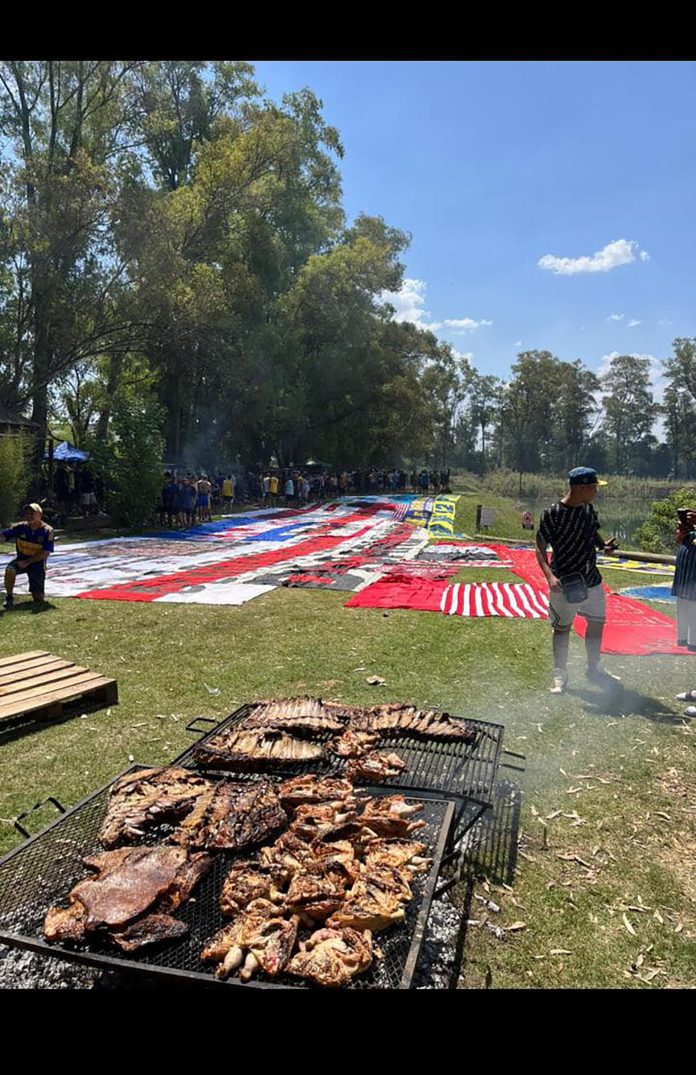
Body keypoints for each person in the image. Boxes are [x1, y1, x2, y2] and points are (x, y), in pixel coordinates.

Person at [536, 467, 620, 694]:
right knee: (562, 628)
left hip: (591, 579)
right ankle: (559, 674)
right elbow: (540, 547)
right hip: (564, 582)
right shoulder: (552, 513)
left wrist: (604, 547)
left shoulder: (587, 509)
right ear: (581, 487)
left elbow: (593, 534)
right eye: (593, 487)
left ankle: (594, 666)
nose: (596, 491)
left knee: (596, 623)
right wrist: (550, 576)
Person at [2, 502, 55, 609]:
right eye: (27, 513)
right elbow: (3, 536)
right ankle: (9, 597)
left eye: (32, 513)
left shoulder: (48, 531)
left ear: (39, 515)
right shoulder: (20, 527)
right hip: (20, 561)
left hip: (36, 564)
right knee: (10, 570)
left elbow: (45, 553)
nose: (29, 516)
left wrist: (27, 562)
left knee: (38, 599)